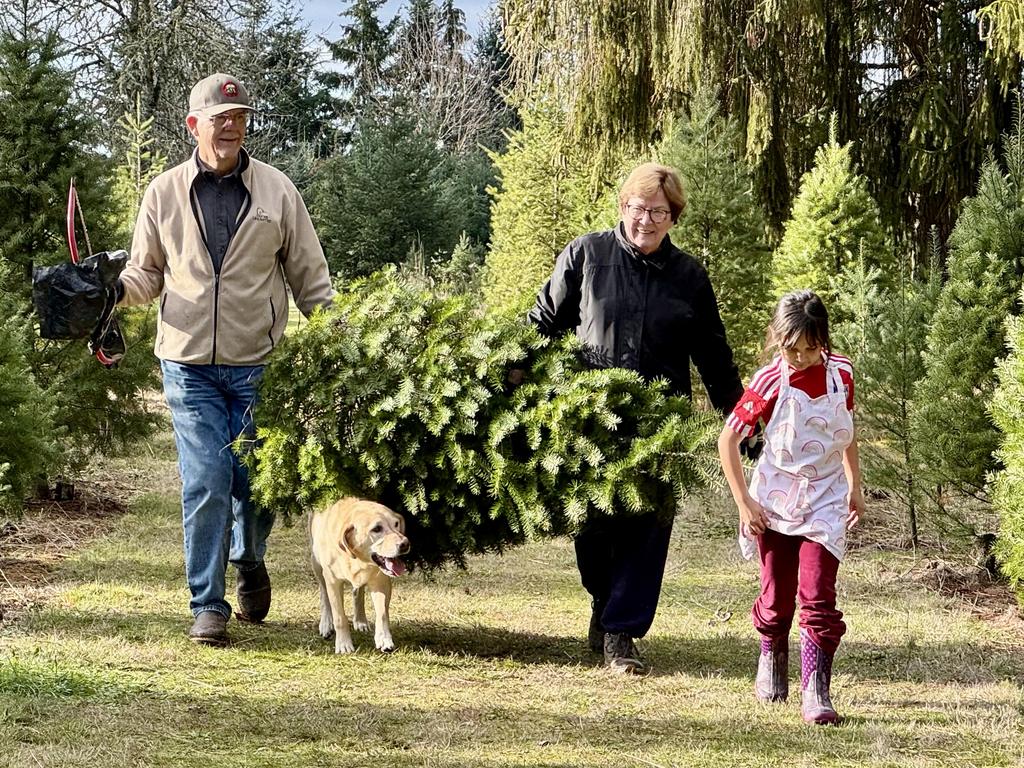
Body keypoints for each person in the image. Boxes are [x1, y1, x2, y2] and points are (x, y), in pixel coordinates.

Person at [116, 73, 334, 646]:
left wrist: (340, 337)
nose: (233, 126)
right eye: (221, 118)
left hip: (257, 362)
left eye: (240, 117)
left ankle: (250, 558)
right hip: (187, 362)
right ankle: (208, 603)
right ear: (195, 125)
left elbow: (310, 277)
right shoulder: (164, 193)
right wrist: (112, 291)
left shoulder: (278, 191)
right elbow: (145, 274)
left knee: (256, 479)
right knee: (208, 478)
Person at [528, 162, 743, 673]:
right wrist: (514, 376)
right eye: (639, 208)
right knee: (593, 531)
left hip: (660, 428)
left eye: (659, 213)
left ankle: (621, 634)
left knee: (646, 532)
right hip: (590, 422)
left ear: (674, 218)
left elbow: (713, 357)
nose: (647, 220)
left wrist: (740, 418)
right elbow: (543, 323)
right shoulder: (586, 255)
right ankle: (604, 603)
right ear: (624, 206)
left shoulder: (689, 277)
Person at [717, 289, 864, 725]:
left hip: (826, 498)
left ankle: (816, 690)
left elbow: (847, 431)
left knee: (818, 594)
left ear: (824, 341)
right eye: (791, 349)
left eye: (810, 349)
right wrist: (744, 503)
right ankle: (772, 657)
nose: (801, 358)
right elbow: (728, 441)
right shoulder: (768, 381)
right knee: (777, 595)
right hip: (775, 501)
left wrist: (855, 484)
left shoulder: (841, 374)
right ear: (777, 340)